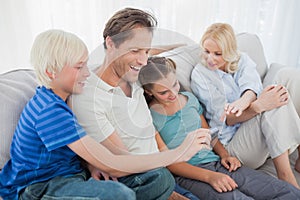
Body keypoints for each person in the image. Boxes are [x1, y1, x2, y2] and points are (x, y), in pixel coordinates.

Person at [0, 29, 210, 200]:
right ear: (51, 73)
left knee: (160, 179)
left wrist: (91, 165)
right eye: (79, 67)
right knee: (119, 194)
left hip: (74, 176)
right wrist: (179, 153)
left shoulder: (61, 99)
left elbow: (82, 151)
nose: (87, 72)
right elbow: (111, 162)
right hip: (37, 188)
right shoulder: (49, 112)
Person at [70, 8, 207, 200]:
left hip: (160, 170)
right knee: (162, 179)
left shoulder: (132, 74)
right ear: (110, 43)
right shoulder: (89, 98)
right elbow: (120, 164)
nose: (143, 60)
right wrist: (178, 154)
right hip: (137, 180)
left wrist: (179, 45)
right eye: (135, 50)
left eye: (147, 51)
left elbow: (148, 55)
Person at [138, 55, 300, 199]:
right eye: (163, 92)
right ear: (149, 91)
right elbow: (169, 162)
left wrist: (225, 155)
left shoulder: (189, 99)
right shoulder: (149, 117)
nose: (173, 94)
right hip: (189, 174)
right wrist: (210, 177)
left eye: (175, 85)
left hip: (217, 163)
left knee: (286, 191)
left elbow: (210, 135)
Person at [190, 22, 300, 188]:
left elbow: (252, 89)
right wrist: (257, 106)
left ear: (229, 51)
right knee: (271, 102)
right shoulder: (201, 74)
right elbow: (228, 119)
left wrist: (243, 102)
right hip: (235, 145)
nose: (210, 59)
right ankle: (285, 175)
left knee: (287, 76)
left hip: (254, 128)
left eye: (218, 54)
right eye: (206, 51)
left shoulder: (241, 59)